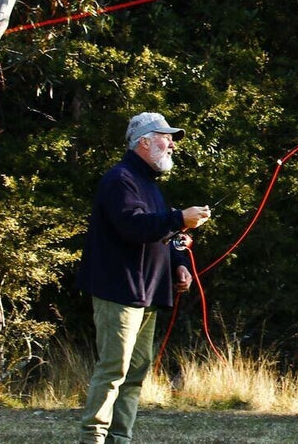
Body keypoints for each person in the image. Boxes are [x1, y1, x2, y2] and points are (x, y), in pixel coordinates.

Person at [75, 111, 211, 444]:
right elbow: (134, 227)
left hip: (147, 294)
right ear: (145, 142)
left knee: (135, 374)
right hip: (118, 292)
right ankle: (92, 438)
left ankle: (119, 438)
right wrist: (180, 218)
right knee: (113, 370)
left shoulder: (148, 185)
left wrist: (178, 263)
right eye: (167, 138)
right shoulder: (120, 179)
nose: (172, 146)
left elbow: (160, 231)